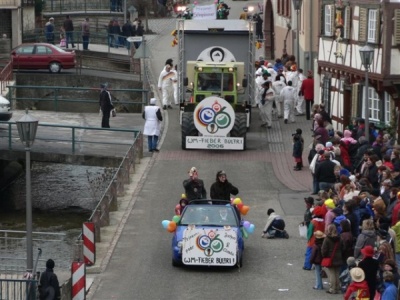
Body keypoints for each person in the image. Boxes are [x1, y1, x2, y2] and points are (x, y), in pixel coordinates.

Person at [321, 224, 343, 294]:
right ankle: (337, 287)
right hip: (338, 257)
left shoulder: (327, 239)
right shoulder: (339, 238)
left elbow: (324, 250)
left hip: (330, 258)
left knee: (332, 274)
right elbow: (343, 247)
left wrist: (324, 256)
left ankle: (332, 288)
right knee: (337, 273)